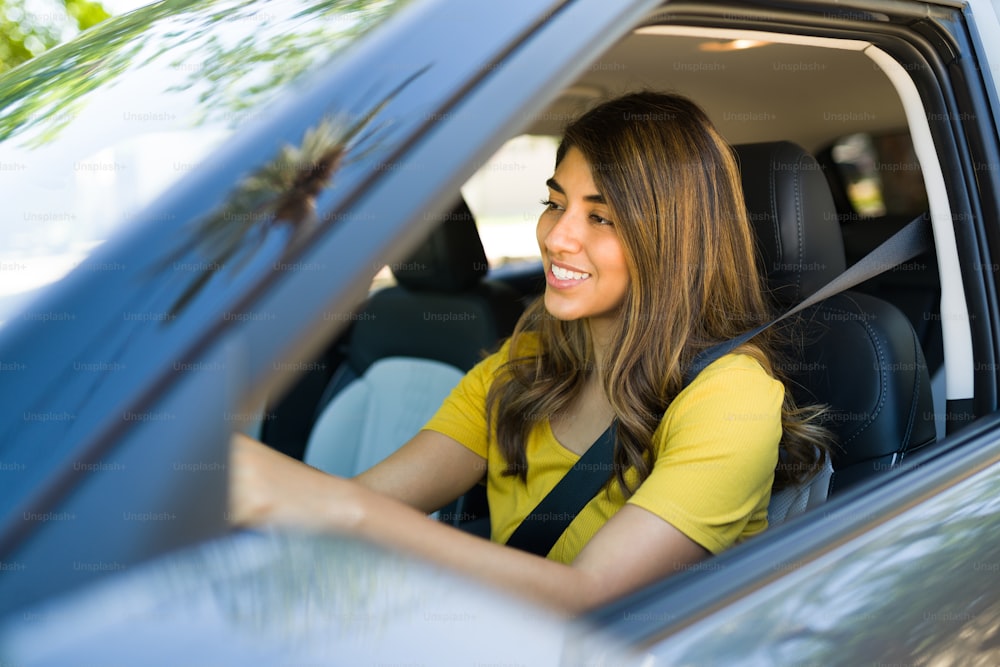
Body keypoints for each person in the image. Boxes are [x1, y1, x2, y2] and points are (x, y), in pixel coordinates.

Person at [229, 91, 832, 614]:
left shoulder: (733, 398)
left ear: (671, 242)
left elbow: (589, 598)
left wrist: (325, 506)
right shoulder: (524, 364)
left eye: (601, 217)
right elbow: (372, 501)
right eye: (554, 203)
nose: (556, 236)